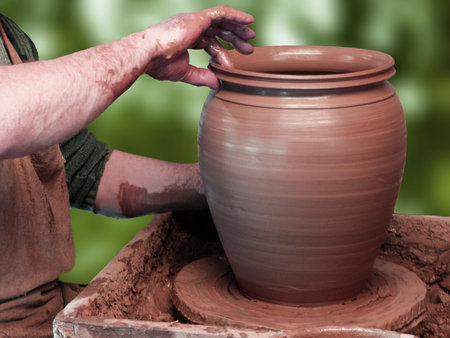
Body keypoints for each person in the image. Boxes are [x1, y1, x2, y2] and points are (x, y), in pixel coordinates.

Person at [0, 6, 255, 337]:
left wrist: (218, 186)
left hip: (42, 314)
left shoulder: (8, 36)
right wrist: (149, 46)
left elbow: (80, 167)